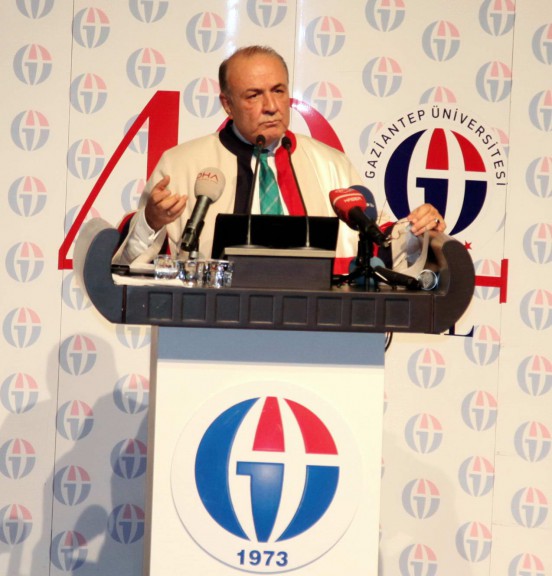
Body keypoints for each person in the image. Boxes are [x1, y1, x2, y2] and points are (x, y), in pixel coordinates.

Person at [112, 45, 445, 273]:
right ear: (227, 104)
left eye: (278, 91)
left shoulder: (332, 164)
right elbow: (130, 266)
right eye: (254, 95)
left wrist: (417, 231)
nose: (271, 106)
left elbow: (376, 247)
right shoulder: (182, 164)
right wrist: (151, 222)